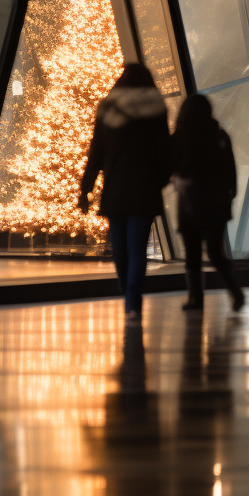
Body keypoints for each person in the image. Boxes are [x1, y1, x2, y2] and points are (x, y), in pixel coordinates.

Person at [79, 63, 173, 320]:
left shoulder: (108, 109)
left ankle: (127, 294)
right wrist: (161, 181)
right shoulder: (156, 111)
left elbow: (96, 151)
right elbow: (165, 151)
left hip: (116, 191)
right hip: (144, 191)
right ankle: (133, 301)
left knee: (120, 249)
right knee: (136, 248)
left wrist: (86, 187)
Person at [169, 94, 245, 312]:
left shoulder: (181, 136)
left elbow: (174, 167)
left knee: (192, 253)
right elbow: (230, 171)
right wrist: (229, 195)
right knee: (214, 251)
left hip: (189, 203)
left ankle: (195, 298)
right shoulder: (219, 136)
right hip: (216, 205)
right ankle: (235, 291)